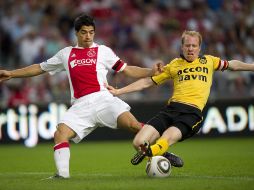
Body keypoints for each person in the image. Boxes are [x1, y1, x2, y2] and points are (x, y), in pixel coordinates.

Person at [0, 14, 166, 179]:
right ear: (76, 33)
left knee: (134, 125)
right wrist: (12, 74)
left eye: (91, 32)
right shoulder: (66, 54)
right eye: (84, 32)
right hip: (80, 105)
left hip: (104, 99)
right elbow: (39, 68)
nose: (88, 36)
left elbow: (127, 69)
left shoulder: (103, 51)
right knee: (60, 134)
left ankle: (163, 150)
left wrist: (150, 71)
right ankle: (62, 176)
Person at [108, 30, 254, 166]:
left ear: (199, 48)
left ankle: (153, 151)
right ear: (182, 47)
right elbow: (147, 81)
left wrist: (252, 66)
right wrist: (119, 91)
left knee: (166, 137)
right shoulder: (174, 65)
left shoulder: (209, 61)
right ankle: (161, 154)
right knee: (138, 142)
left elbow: (233, 65)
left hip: (191, 113)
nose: (190, 49)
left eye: (194, 46)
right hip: (171, 110)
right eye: (187, 45)